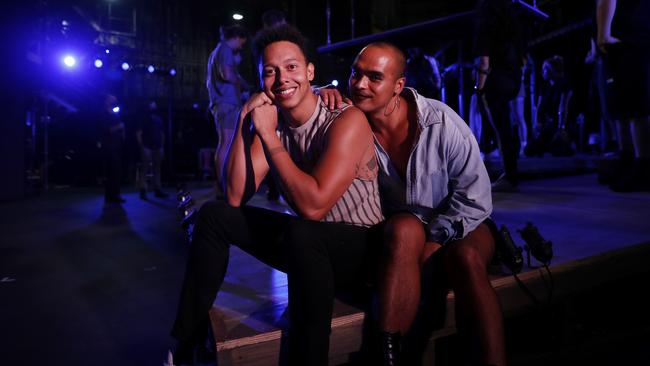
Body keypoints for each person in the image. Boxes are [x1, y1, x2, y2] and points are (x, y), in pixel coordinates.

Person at [170, 24, 382, 366]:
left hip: (361, 251)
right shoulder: (276, 123)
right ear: (261, 81)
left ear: (310, 71)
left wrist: (268, 137)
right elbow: (236, 196)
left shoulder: (346, 119)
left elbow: (313, 207)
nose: (282, 78)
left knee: (302, 229)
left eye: (292, 67)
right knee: (214, 216)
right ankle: (184, 344)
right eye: (271, 72)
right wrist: (244, 120)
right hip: (309, 250)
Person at [321, 42, 504, 366]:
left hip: (461, 221)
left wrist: (434, 241)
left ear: (398, 86)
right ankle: (387, 356)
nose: (360, 84)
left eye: (374, 77)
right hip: (401, 233)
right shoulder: (349, 122)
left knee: (466, 256)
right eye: (355, 73)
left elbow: (475, 200)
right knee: (404, 228)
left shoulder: (442, 124)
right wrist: (321, 92)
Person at [596, 0, 650, 191]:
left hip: (625, 36)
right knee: (632, 106)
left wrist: (603, 34)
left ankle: (639, 165)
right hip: (638, 33)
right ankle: (633, 164)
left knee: (629, 108)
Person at [473, 0, 527, 192]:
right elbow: (522, 56)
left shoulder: (485, 18)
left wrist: (479, 87)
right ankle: (512, 172)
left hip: (495, 80)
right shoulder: (513, 17)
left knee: (501, 128)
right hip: (512, 77)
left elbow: (484, 61)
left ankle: (509, 175)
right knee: (509, 127)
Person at [206, 24, 250, 196]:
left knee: (224, 142)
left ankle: (222, 184)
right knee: (226, 143)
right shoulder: (225, 49)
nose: (241, 47)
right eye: (241, 43)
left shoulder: (215, 51)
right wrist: (244, 84)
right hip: (227, 102)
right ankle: (223, 184)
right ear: (238, 37)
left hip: (220, 102)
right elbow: (227, 74)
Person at [525, 55, 574, 157]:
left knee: (558, 148)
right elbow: (539, 108)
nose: (543, 72)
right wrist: (538, 124)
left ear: (552, 70)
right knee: (530, 150)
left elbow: (563, 107)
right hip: (548, 125)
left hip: (560, 124)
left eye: (545, 69)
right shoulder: (544, 87)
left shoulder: (564, 86)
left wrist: (561, 127)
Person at [136, 100, 168, 199]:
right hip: (147, 146)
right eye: (152, 104)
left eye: (155, 104)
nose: (155, 105)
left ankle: (157, 189)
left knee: (157, 169)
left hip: (157, 146)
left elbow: (162, 133)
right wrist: (142, 146)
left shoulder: (159, 119)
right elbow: (138, 133)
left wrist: (162, 146)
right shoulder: (143, 118)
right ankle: (143, 190)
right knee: (145, 169)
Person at [100, 94, 126, 204]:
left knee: (116, 171)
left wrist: (122, 133)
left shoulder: (115, 113)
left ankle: (113, 194)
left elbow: (120, 127)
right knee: (112, 171)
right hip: (109, 146)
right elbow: (108, 129)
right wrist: (119, 127)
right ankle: (112, 195)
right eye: (112, 99)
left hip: (117, 146)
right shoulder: (105, 115)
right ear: (107, 101)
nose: (115, 100)